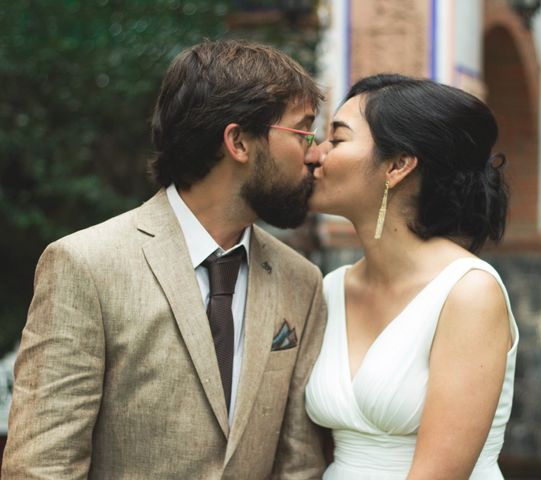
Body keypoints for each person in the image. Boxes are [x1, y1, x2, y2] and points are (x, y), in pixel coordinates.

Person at [2, 39, 327, 479]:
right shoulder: (85, 265)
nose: (315, 152)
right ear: (238, 142)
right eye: (303, 130)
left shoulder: (301, 281)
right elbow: (43, 466)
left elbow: (299, 466)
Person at [305, 74, 519, 479]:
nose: (315, 154)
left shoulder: (467, 292)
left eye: (337, 140)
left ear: (398, 165)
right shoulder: (331, 288)